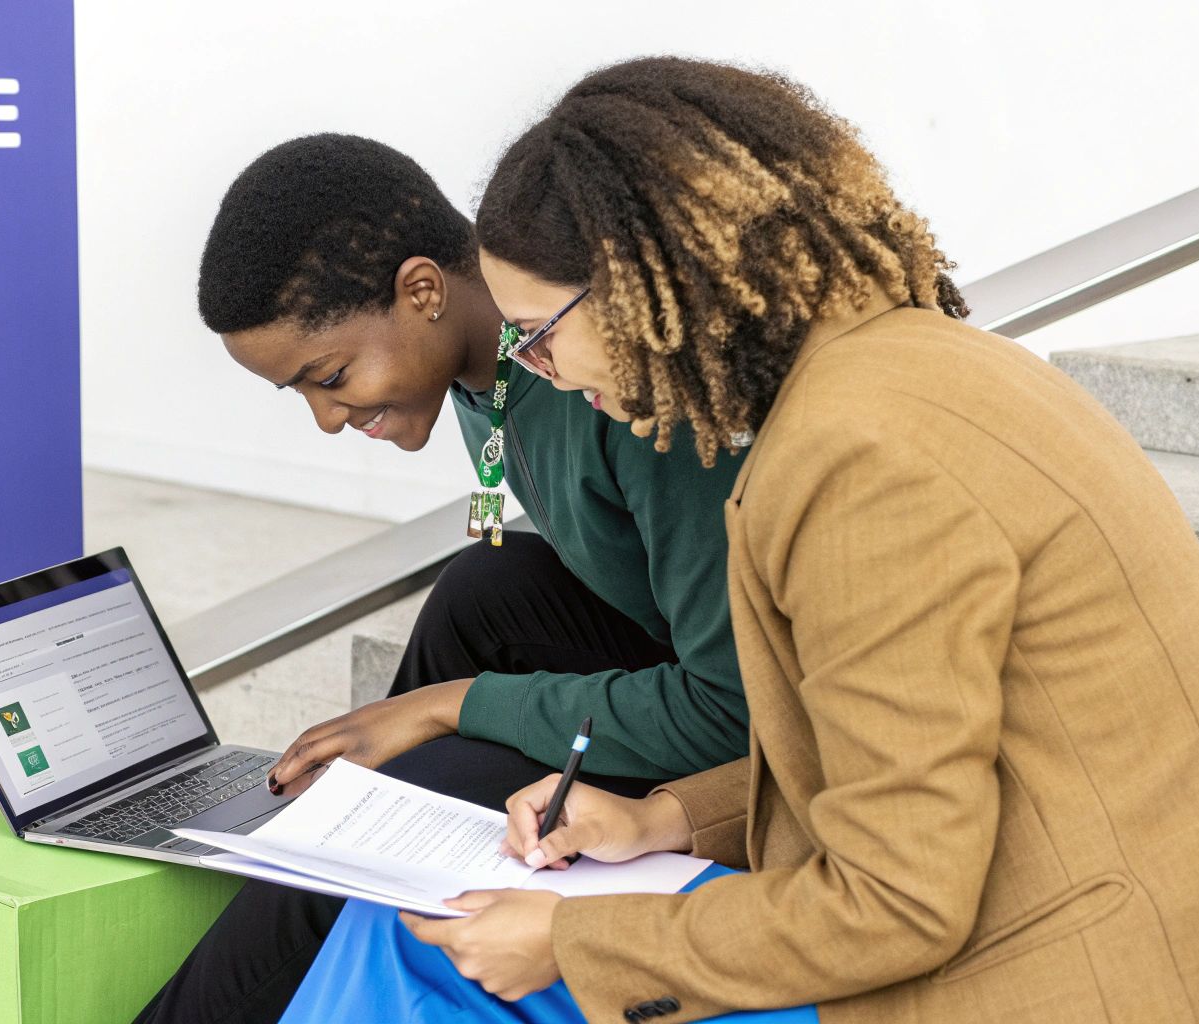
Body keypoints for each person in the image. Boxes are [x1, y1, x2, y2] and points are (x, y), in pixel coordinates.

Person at [373, 57, 1199, 1023]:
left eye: (538, 334)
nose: (542, 372)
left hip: (1068, 978)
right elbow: (909, 764)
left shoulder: (855, 462)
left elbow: (898, 901)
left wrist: (573, 942)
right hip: (1102, 909)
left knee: (413, 959)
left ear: (647, 284)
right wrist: (665, 818)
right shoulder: (924, 368)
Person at [133, 134, 750, 1023]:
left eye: (333, 376)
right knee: (487, 583)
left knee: (439, 772)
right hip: (681, 656)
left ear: (422, 292)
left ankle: (345, 866)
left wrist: (447, 707)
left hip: (769, 742)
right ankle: (342, 847)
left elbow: (736, 709)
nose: (327, 419)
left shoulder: (623, 388)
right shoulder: (485, 375)